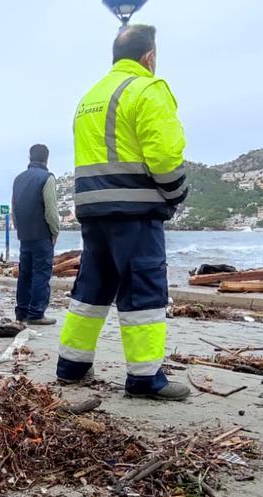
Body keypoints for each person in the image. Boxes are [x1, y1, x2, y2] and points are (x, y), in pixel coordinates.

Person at [56, 24, 190, 400]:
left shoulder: (90, 97)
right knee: (143, 289)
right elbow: (164, 156)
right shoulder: (147, 89)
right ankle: (145, 377)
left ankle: (71, 364)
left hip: (93, 212)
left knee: (92, 288)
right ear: (149, 56)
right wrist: (176, 193)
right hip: (134, 210)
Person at [11, 144, 60, 325]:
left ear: (30, 158)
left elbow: (14, 207)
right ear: (46, 159)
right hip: (42, 235)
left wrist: (18, 228)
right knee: (41, 274)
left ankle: (21, 312)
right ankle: (37, 313)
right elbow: (51, 210)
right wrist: (55, 231)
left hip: (25, 235)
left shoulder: (18, 179)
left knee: (25, 274)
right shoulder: (47, 178)